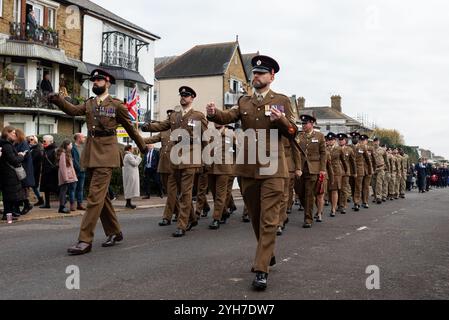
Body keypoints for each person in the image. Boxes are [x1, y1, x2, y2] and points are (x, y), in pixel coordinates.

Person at [207, 55, 298, 291]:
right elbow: (228, 117)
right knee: (256, 217)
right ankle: (268, 254)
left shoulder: (281, 101)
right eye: (254, 73)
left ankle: (261, 269)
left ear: (271, 76)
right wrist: (213, 113)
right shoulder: (244, 101)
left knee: (269, 220)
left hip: (274, 167)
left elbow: (292, 131)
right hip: (247, 165)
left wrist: (282, 120)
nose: (255, 77)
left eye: (261, 73)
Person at [48, 68, 147, 255]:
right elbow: (73, 111)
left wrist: (142, 147)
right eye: (93, 81)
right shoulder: (90, 103)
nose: (95, 83)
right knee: (102, 199)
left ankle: (85, 240)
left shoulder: (117, 105)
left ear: (108, 83)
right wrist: (58, 100)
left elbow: (132, 130)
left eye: (99, 81)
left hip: (107, 154)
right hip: (92, 153)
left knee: (94, 198)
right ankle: (115, 232)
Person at [142, 86, 208, 238]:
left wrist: (206, 161)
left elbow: (206, 139)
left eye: (186, 95)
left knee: (185, 192)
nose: (183, 97)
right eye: (182, 95)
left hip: (191, 157)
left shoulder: (198, 116)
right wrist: (147, 126)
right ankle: (192, 218)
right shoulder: (174, 116)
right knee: (179, 192)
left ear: (192, 98)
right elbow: (162, 126)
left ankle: (181, 225)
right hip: (175, 158)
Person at [297, 113, 326, 227]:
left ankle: (308, 219)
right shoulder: (299, 137)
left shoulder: (319, 136)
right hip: (300, 169)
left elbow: (323, 153)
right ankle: (309, 208)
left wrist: (322, 169)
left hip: (313, 169)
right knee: (300, 193)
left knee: (309, 193)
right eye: (302, 124)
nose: (303, 125)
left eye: (306, 123)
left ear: (312, 123)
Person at [0, 126, 26, 221]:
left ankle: (8, 217)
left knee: (9, 197)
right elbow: (13, 160)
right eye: (13, 133)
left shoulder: (6, 144)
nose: (15, 134)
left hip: (7, 174)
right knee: (9, 197)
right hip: (9, 175)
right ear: (7, 133)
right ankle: (7, 217)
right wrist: (21, 156)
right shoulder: (7, 145)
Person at [14, 128, 35, 215]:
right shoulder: (18, 143)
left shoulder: (23, 144)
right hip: (21, 170)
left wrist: (18, 155)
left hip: (24, 170)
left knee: (22, 189)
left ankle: (26, 205)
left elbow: (24, 156)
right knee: (20, 189)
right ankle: (21, 207)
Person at [327, 132, 347, 217]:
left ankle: (333, 209)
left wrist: (345, 171)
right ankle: (333, 205)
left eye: (332, 140)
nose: (330, 141)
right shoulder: (324, 148)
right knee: (328, 191)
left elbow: (343, 160)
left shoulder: (339, 149)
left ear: (335, 140)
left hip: (336, 172)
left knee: (334, 190)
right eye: (329, 140)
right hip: (327, 172)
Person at [56, 140, 78, 214]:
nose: (71, 146)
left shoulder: (66, 153)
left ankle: (62, 206)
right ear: (67, 145)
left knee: (64, 191)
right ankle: (61, 207)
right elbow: (63, 167)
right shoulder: (63, 154)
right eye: (71, 144)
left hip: (68, 176)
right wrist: (65, 178)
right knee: (63, 191)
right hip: (65, 176)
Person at [337, 133, 356, 214]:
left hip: (345, 172)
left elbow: (353, 162)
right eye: (339, 140)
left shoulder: (349, 150)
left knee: (344, 190)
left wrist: (354, 172)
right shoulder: (335, 149)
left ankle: (343, 206)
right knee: (337, 189)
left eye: (342, 140)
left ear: (345, 141)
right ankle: (337, 204)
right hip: (336, 172)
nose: (340, 141)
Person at [39, 135, 59, 209]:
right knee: (45, 189)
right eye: (43, 141)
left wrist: (53, 168)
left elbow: (57, 162)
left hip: (52, 173)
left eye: (45, 141)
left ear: (51, 142)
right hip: (45, 172)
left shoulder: (55, 150)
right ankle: (47, 204)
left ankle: (63, 201)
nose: (43, 142)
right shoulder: (45, 149)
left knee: (56, 188)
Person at [122, 145, 142, 209]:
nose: (133, 150)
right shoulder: (128, 156)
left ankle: (128, 203)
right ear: (129, 149)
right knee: (129, 188)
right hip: (130, 175)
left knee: (129, 188)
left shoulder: (128, 155)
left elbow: (133, 157)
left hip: (129, 174)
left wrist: (137, 155)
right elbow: (135, 163)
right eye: (132, 149)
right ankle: (128, 204)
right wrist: (139, 156)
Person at [70, 133, 86, 211]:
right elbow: (72, 160)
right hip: (74, 171)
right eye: (83, 137)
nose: (84, 139)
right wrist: (77, 167)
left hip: (83, 171)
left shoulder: (84, 148)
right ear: (78, 138)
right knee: (73, 188)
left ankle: (80, 204)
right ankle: (72, 204)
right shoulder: (72, 147)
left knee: (80, 188)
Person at [28, 135, 44, 206]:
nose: (30, 141)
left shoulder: (37, 149)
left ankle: (40, 199)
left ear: (35, 141)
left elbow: (32, 160)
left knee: (34, 186)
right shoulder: (31, 148)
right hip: (31, 170)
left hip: (35, 171)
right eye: (29, 140)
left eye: (31, 140)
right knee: (33, 186)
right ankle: (40, 199)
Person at [371, 138, 387, 204]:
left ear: (379, 142)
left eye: (377, 141)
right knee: (373, 184)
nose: (376, 143)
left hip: (381, 168)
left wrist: (386, 166)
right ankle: (375, 196)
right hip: (373, 169)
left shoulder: (382, 150)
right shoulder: (371, 149)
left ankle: (379, 197)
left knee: (379, 183)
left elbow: (386, 159)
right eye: (375, 141)